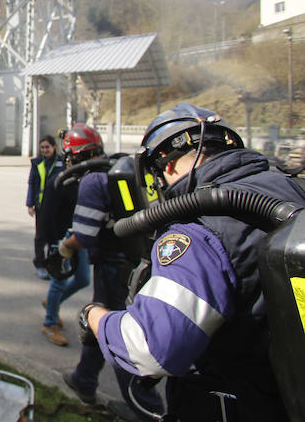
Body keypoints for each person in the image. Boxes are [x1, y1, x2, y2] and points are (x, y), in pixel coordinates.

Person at [80, 103, 305, 421]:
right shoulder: (288, 189)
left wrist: (94, 317)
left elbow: (147, 348)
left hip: (238, 402)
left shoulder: (198, 230)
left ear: (166, 168)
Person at [56, 123, 164, 419]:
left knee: (119, 334)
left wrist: (65, 246)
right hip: (134, 263)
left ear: (76, 155)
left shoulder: (92, 181)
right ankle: (84, 379)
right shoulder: (117, 168)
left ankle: (146, 410)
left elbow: (86, 235)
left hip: (113, 268)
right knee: (98, 323)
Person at [37, 132, 90, 347]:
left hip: (79, 234)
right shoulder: (59, 180)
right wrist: (53, 245)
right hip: (62, 238)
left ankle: (51, 303)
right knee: (58, 281)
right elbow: (47, 215)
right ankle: (50, 324)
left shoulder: (85, 177)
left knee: (83, 279)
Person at [26, 135, 61, 279]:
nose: (45, 150)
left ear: (54, 147)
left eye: (47, 147)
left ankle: (52, 265)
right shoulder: (37, 163)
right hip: (41, 206)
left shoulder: (62, 162)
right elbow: (32, 183)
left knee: (55, 237)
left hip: (57, 206)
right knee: (40, 237)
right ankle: (40, 264)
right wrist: (30, 204)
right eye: (42, 148)